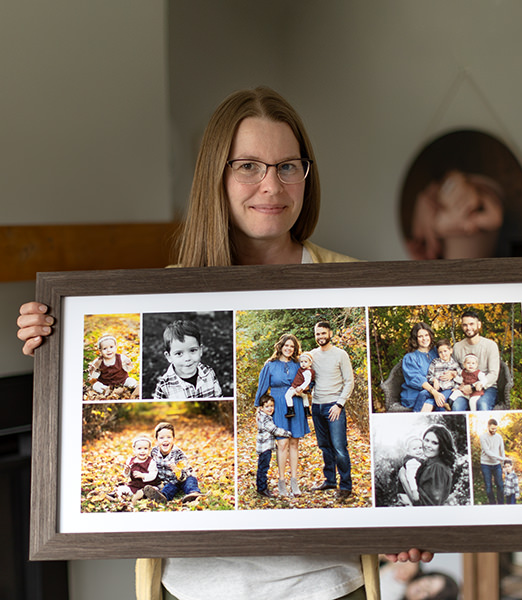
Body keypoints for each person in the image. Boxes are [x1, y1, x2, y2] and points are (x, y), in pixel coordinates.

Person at [17, 86, 431, 600]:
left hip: (329, 587)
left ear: (307, 174)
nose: (271, 185)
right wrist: (52, 334)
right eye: (249, 166)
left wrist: (413, 524)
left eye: (287, 166)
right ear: (216, 175)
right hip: (190, 589)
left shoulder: (363, 282)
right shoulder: (160, 295)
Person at [255, 334, 308, 497]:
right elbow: (262, 387)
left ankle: (294, 481)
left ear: (295, 349)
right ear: (280, 346)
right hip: (278, 405)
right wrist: (258, 406)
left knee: (294, 443)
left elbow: (309, 380)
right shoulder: (270, 365)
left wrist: (304, 391)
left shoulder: (299, 364)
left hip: (296, 404)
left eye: (292, 346)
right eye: (286, 345)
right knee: (282, 443)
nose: (289, 349)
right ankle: (282, 482)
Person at [310, 321, 354, 500]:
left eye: (323, 333)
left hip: (334, 406)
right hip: (317, 406)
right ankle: (329, 480)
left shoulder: (340, 355)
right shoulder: (311, 355)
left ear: (330, 333)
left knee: (339, 447)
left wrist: (339, 404)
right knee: (324, 446)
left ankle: (345, 486)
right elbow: (306, 377)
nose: (320, 336)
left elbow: (349, 381)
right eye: (317, 334)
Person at [153, 319, 222, 399]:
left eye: (192, 350)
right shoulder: (164, 386)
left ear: (200, 350)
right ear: (169, 357)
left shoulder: (209, 373)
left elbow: (219, 398)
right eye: (179, 353)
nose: (187, 358)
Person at [142, 421, 203, 504]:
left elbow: (183, 475)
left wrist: (177, 471)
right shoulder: (154, 452)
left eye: (168, 437)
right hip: (170, 481)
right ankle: (162, 496)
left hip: (184, 477)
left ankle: (193, 493)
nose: (165, 440)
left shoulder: (178, 454)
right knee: (169, 488)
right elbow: (150, 466)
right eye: (162, 438)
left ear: (174, 440)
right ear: (156, 441)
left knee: (190, 482)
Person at [451, 310, 500, 411]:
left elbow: (494, 374)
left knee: (482, 405)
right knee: (456, 406)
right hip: (465, 387)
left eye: (471, 324)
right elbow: (455, 369)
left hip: (487, 387)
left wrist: (474, 387)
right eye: (465, 325)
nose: (468, 328)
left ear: (479, 325)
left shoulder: (490, 346)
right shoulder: (458, 347)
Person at [400, 323, 447, 412]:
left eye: (426, 335)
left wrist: (452, 374)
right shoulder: (410, 358)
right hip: (416, 393)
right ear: (415, 339)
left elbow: (448, 365)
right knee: (432, 402)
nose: (424, 338)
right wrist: (434, 393)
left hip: (436, 391)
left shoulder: (437, 353)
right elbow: (417, 379)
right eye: (420, 336)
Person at [256, 392, 292, 498]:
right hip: (265, 447)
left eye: (271, 406)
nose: (270, 409)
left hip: (265, 447)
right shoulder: (265, 418)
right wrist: (287, 433)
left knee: (262, 467)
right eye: (267, 406)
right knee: (263, 467)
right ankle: (262, 488)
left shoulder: (262, 416)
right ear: (261, 408)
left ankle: (261, 486)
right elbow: (274, 430)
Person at [108, 434, 159, 503]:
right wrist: (126, 471)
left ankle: (141, 496)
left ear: (149, 450)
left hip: (147, 486)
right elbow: (127, 475)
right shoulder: (130, 460)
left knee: (154, 489)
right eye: (139, 448)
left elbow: (153, 475)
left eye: (145, 448)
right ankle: (116, 497)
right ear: (134, 450)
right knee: (122, 488)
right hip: (134, 486)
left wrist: (143, 475)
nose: (142, 451)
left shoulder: (151, 462)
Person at [414, 425, 456, 506]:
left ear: (442, 446)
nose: (428, 445)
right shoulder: (430, 463)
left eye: (434, 443)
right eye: (426, 440)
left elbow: (429, 505)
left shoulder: (437, 468)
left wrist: (404, 481)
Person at [422, 339, 460, 412]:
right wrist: (434, 380)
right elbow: (429, 376)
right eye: (440, 352)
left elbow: (460, 378)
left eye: (445, 351)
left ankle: (442, 414)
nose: (443, 354)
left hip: (448, 389)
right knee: (423, 394)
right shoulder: (435, 362)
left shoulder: (455, 364)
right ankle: (416, 413)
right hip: (436, 388)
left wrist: (456, 387)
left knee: (440, 400)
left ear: (451, 351)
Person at [479, 418, 505, 504]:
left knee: (500, 485)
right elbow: (488, 452)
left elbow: (502, 450)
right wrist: (500, 458)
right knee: (489, 487)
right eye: (492, 428)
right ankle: (492, 503)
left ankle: (500, 503)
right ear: (488, 427)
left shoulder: (499, 437)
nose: (494, 430)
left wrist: (503, 463)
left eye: (495, 428)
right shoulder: (483, 437)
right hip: (486, 464)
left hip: (497, 464)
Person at [284, 351, 315, 417]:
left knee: (288, 395)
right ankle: (307, 411)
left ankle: (291, 410)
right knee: (304, 397)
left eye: (305, 362)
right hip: (301, 389)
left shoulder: (307, 371)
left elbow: (307, 381)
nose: (303, 364)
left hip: (298, 388)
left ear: (310, 363)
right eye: (301, 362)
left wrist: (301, 388)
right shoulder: (303, 370)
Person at [397, 436, 424, 505]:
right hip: (407, 492)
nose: (418, 450)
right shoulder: (412, 462)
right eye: (414, 449)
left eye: (420, 448)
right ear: (408, 451)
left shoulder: (417, 460)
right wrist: (414, 491)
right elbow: (411, 477)